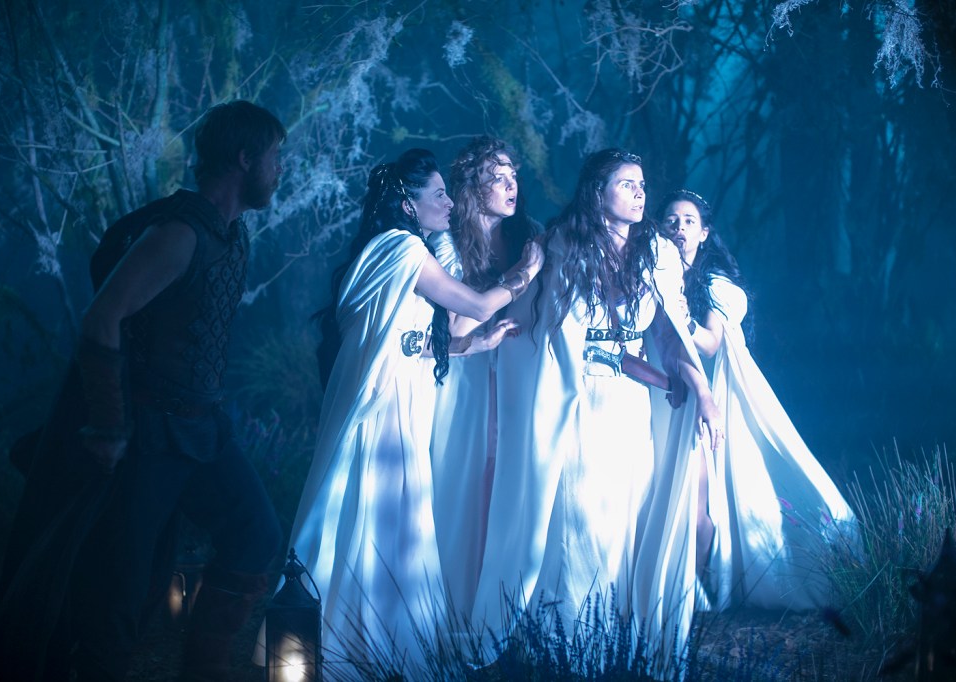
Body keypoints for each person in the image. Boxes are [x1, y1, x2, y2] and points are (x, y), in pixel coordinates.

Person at [0, 100, 287, 682]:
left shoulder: (230, 235)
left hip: (201, 429)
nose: (280, 170)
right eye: (275, 156)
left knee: (256, 532)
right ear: (245, 158)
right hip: (147, 437)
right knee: (118, 599)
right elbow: (102, 319)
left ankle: (204, 670)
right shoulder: (179, 234)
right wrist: (107, 425)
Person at [252, 148, 544, 676]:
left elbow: (410, 341)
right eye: (438, 194)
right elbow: (476, 306)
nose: (449, 202)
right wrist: (526, 271)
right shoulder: (402, 248)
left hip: (404, 398)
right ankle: (349, 646)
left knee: (394, 520)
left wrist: (473, 346)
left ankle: (380, 642)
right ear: (408, 204)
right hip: (386, 405)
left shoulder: (399, 249)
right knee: (375, 511)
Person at [470, 149, 722, 674]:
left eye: (642, 184)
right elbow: (556, 338)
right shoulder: (560, 246)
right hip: (577, 405)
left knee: (627, 524)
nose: (640, 193)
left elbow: (667, 337)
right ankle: (564, 652)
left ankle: (617, 653)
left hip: (630, 411)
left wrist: (700, 388)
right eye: (626, 183)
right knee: (581, 523)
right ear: (596, 191)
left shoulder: (658, 253)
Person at [659, 189, 855, 611]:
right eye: (671, 221)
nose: (679, 228)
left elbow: (709, 343)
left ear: (705, 233)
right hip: (671, 393)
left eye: (689, 221)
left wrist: (679, 313)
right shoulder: (658, 277)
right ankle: (684, 592)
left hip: (718, 398)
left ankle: (701, 594)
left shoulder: (716, 285)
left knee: (708, 496)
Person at [428, 136, 541, 620]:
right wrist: (517, 275)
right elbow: (457, 327)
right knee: (463, 483)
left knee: (509, 487)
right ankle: (453, 610)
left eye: (514, 175)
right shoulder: (447, 241)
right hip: (464, 381)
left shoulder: (529, 237)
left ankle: (502, 610)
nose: (511, 185)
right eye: (498, 177)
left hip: (518, 379)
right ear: (473, 186)